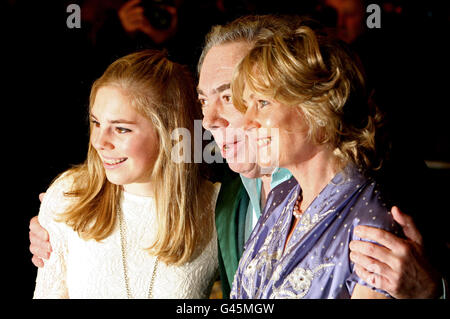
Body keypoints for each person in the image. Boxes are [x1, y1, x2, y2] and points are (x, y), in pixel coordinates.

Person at [30, 15, 445, 299]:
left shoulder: (385, 180)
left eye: (234, 96)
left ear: (295, 92)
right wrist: (60, 218)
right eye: (202, 99)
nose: (208, 120)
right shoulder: (227, 196)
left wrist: (431, 288)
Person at [229, 19, 441, 298]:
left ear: (316, 106)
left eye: (263, 103)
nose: (246, 123)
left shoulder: (372, 222)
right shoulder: (282, 196)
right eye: (248, 105)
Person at [33, 50, 219, 298]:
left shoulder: (220, 208)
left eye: (121, 129)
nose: (99, 142)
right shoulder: (69, 195)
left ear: (168, 133)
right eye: (96, 123)